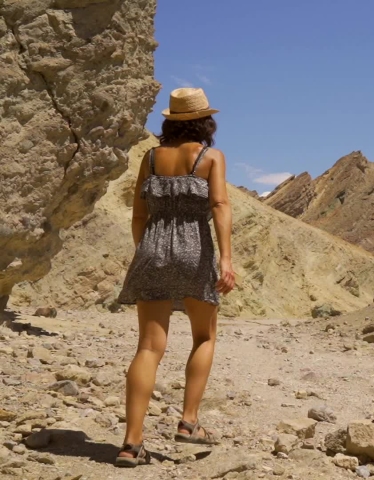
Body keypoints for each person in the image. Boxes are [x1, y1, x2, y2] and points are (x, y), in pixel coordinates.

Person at [113, 87, 236, 467]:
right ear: (205, 121)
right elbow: (219, 205)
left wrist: (146, 250)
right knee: (204, 335)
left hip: (151, 248)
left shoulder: (150, 158)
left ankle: (131, 444)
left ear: (170, 121)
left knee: (149, 347)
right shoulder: (210, 157)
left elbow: (137, 214)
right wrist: (227, 259)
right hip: (194, 252)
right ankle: (189, 423)